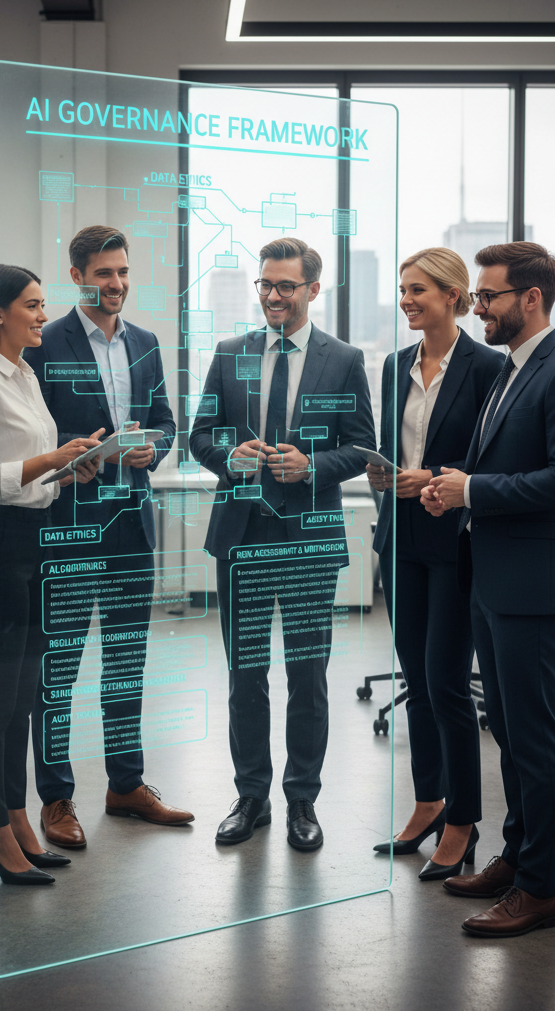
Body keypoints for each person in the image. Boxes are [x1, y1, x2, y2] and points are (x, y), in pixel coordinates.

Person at [420, 241, 555, 937]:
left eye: (487, 297)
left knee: (532, 740)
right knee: (509, 731)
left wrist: (475, 489)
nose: (478, 309)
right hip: (493, 580)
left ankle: (541, 890)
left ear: (531, 299)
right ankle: (516, 855)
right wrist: (453, 489)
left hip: (532, 586)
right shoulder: (509, 372)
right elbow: (495, 462)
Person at [189, 236, 375, 851]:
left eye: (285, 286)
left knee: (307, 676)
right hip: (242, 534)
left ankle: (302, 801)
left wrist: (312, 466)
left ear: (312, 291)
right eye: (265, 285)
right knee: (245, 676)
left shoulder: (343, 359)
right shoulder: (228, 352)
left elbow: (361, 447)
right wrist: (230, 456)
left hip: (307, 542)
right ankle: (251, 797)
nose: (272, 296)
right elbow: (200, 438)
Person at [23, 225, 191, 848]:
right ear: (77, 275)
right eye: (104, 274)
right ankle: (57, 796)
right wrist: (68, 458)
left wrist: (154, 449)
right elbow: (27, 437)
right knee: (59, 667)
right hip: (66, 528)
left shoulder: (145, 342)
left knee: (125, 663)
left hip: (130, 528)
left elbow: (167, 423)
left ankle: (126, 785)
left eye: (123, 272)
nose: (117, 284)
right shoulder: (44, 343)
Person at [0, 264, 102, 884]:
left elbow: (27, 474)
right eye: (33, 306)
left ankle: (14, 816)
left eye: (43, 305)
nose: (43, 316)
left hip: (32, 542)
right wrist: (50, 458)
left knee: (22, 702)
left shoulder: (25, 375)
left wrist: (71, 468)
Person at [369, 248, 504, 879]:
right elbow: (391, 446)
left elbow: (496, 461)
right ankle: (428, 801)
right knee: (417, 683)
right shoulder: (397, 366)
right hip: (402, 540)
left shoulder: (487, 368)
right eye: (402, 290)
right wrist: (387, 477)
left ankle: (463, 820)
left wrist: (439, 478)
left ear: (453, 295)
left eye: (418, 289)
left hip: (455, 544)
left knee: (448, 685)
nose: (407, 300)